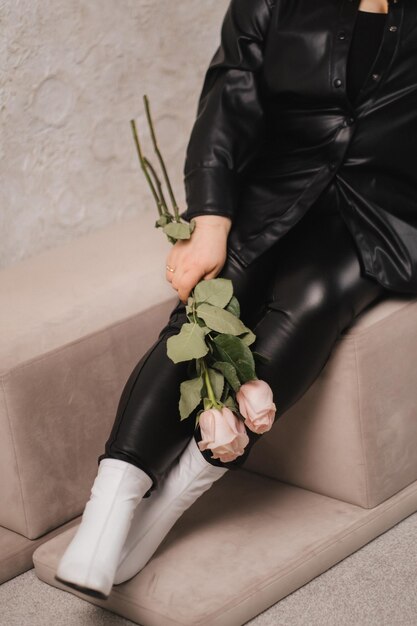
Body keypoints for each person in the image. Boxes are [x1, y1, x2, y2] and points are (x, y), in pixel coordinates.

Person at [55, 0, 416, 600]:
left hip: (379, 209)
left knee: (316, 299)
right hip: (273, 183)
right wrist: (212, 219)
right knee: (215, 298)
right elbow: (230, 95)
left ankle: (177, 494)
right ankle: (110, 510)